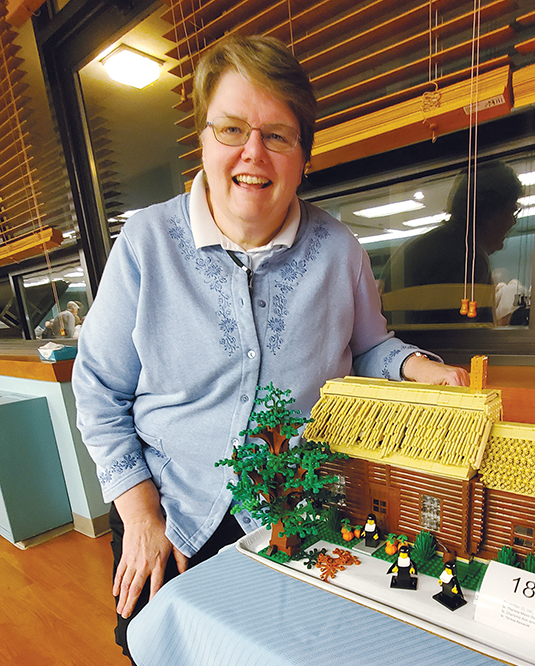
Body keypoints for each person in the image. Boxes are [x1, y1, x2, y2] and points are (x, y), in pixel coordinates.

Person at [71, 35, 469, 662]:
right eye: (230, 129)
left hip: (297, 508)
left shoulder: (340, 251)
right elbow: (99, 389)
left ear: (304, 154)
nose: (252, 153)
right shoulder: (146, 243)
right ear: (202, 140)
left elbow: (367, 349)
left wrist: (417, 366)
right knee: (162, 645)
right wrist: (140, 516)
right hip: (168, 508)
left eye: (278, 135)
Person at [380, 160, 524, 324]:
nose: (513, 222)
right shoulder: (470, 257)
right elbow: (472, 339)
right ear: (491, 211)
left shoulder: (414, 248)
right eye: (512, 211)